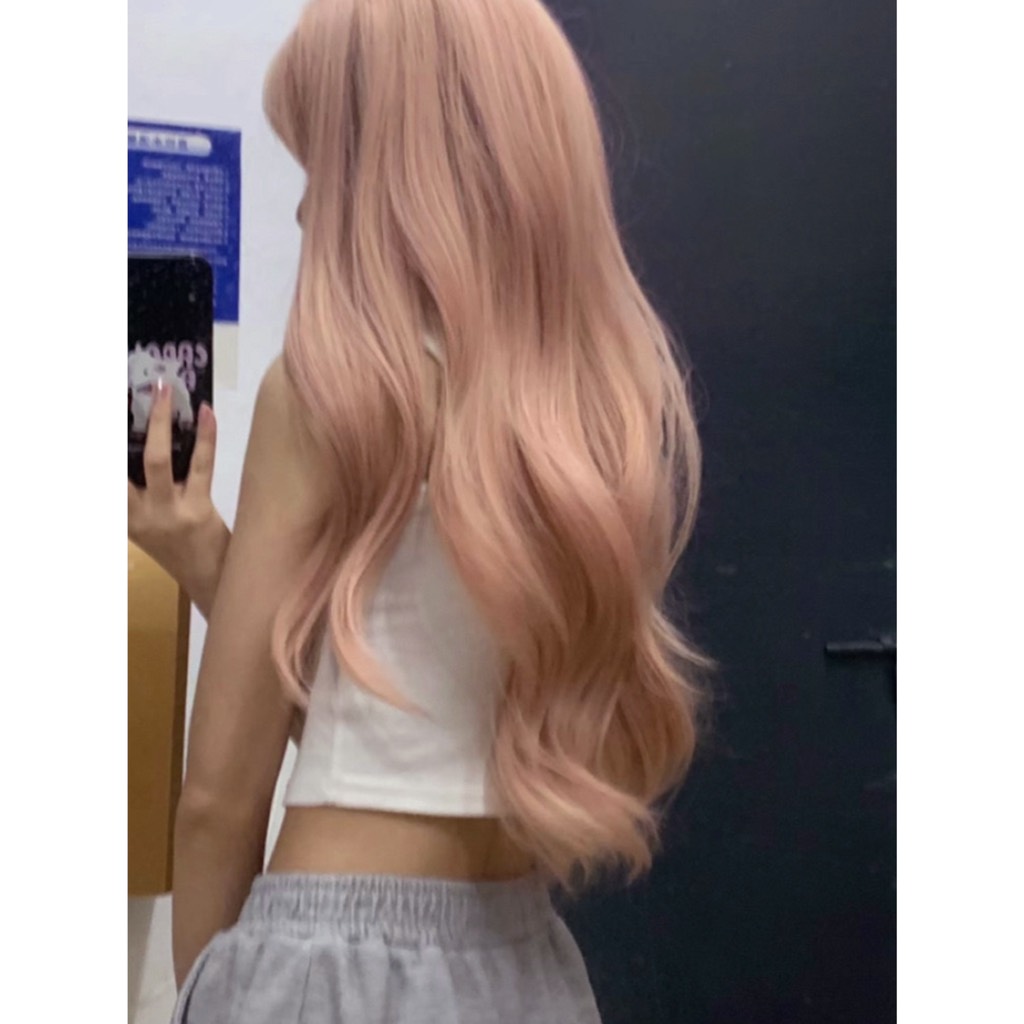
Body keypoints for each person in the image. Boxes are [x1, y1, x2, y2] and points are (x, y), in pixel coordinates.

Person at [129, 0, 710, 1020]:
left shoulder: (324, 395)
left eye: (322, 168)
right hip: (522, 961)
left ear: (390, 177)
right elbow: (399, 717)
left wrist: (207, 995)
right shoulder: (587, 426)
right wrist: (211, 556)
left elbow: (220, 800)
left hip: (324, 966)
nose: (304, 213)